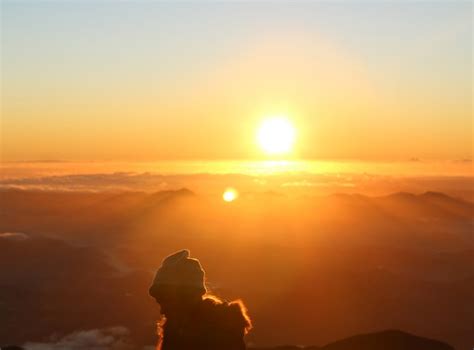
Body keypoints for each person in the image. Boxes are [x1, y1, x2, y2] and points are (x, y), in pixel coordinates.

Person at [149, 249, 252, 350]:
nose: (162, 311)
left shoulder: (221, 333)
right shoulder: (175, 328)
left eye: (167, 302)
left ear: (187, 297)